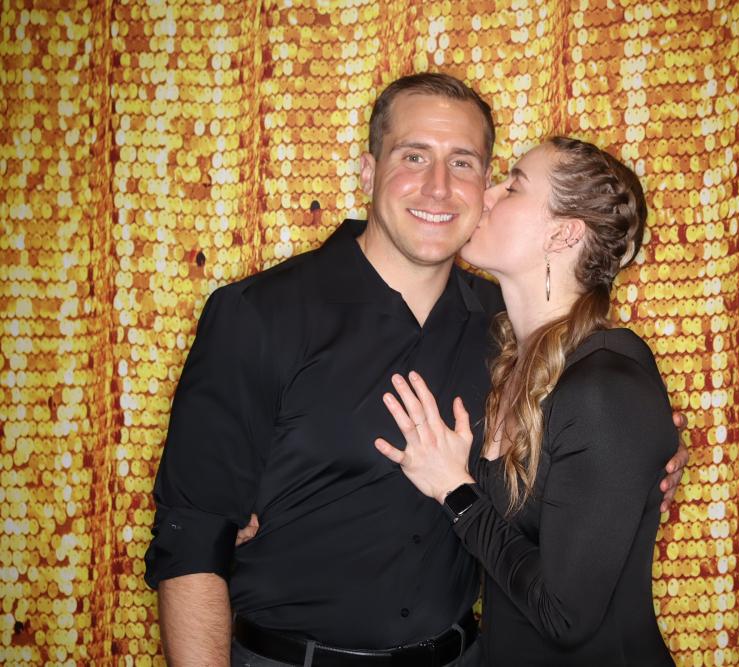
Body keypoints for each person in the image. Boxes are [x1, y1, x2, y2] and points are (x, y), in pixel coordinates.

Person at [144, 73, 688, 666]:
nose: (438, 187)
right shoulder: (258, 316)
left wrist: (642, 465)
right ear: (368, 172)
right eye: (413, 156)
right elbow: (190, 542)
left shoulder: (511, 333)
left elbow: (598, 436)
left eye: (463, 163)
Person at [375, 137, 678, 665]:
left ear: (564, 233)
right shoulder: (507, 361)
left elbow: (565, 617)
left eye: (512, 187)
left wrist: (455, 491)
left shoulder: (606, 386)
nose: (485, 194)